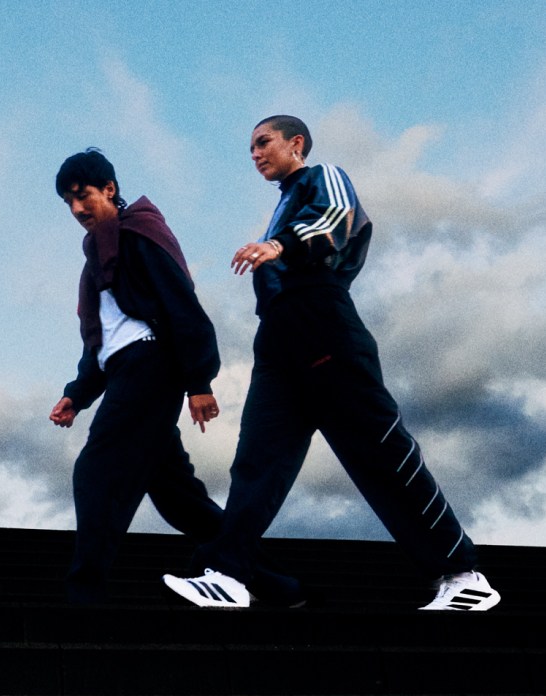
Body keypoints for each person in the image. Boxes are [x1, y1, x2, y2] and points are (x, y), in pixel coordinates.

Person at [163, 115, 501, 612]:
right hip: (277, 341)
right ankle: (229, 576)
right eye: (250, 148)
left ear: (295, 143)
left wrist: (280, 244)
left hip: (324, 325)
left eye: (264, 143)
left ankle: (462, 574)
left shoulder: (323, 175)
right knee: (257, 461)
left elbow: (338, 216)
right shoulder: (282, 205)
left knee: (380, 453)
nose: (255, 154)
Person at [50, 148, 224, 604]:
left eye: (83, 195)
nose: (77, 209)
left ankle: (82, 594)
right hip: (127, 368)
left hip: (151, 366)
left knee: (96, 471)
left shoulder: (140, 235)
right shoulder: (98, 258)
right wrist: (78, 394)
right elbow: (103, 338)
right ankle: (272, 582)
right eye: (68, 202)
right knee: (178, 497)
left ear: (110, 189)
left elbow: (180, 303)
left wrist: (199, 380)